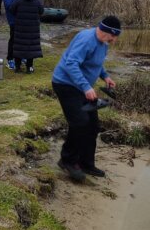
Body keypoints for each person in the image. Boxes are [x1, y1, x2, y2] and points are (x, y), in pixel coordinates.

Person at [51, 16, 120, 182]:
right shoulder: (86, 39)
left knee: (92, 126)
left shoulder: (103, 43)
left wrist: (105, 76)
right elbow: (71, 63)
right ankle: (67, 160)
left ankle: (86, 163)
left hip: (81, 87)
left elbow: (95, 62)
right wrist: (86, 87)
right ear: (106, 31)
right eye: (114, 36)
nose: (114, 40)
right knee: (80, 122)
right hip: (66, 85)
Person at [9, 0, 44, 73]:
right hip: (33, 29)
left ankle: (17, 67)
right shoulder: (37, 1)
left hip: (20, 28)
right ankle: (29, 67)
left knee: (19, 46)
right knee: (30, 48)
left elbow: (12, 10)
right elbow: (41, 11)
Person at [2, 0, 22, 70]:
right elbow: (9, 6)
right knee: (13, 40)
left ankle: (19, 57)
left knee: (20, 40)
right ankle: (10, 59)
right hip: (13, 20)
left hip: (21, 20)